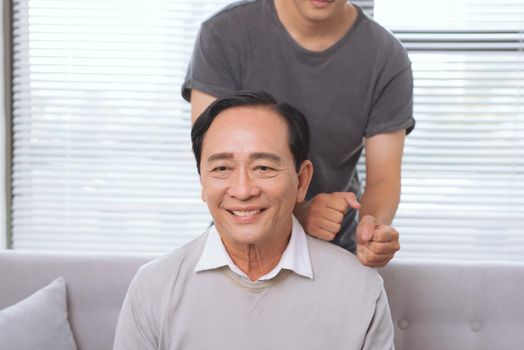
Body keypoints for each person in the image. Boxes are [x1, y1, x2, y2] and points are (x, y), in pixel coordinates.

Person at [113, 92, 394, 350]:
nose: (244, 190)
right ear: (202, 181)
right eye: (222, 168)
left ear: (302, 180)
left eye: (263, 167)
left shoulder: (358, 288)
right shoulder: (153, 287)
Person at [181, 0, 415, 267]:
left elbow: (383, 179)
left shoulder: (386, 57)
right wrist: (294, 214)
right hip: (238, 243)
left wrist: (372, 230)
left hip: (334, 248)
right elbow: (214, 162)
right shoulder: (224, 33)